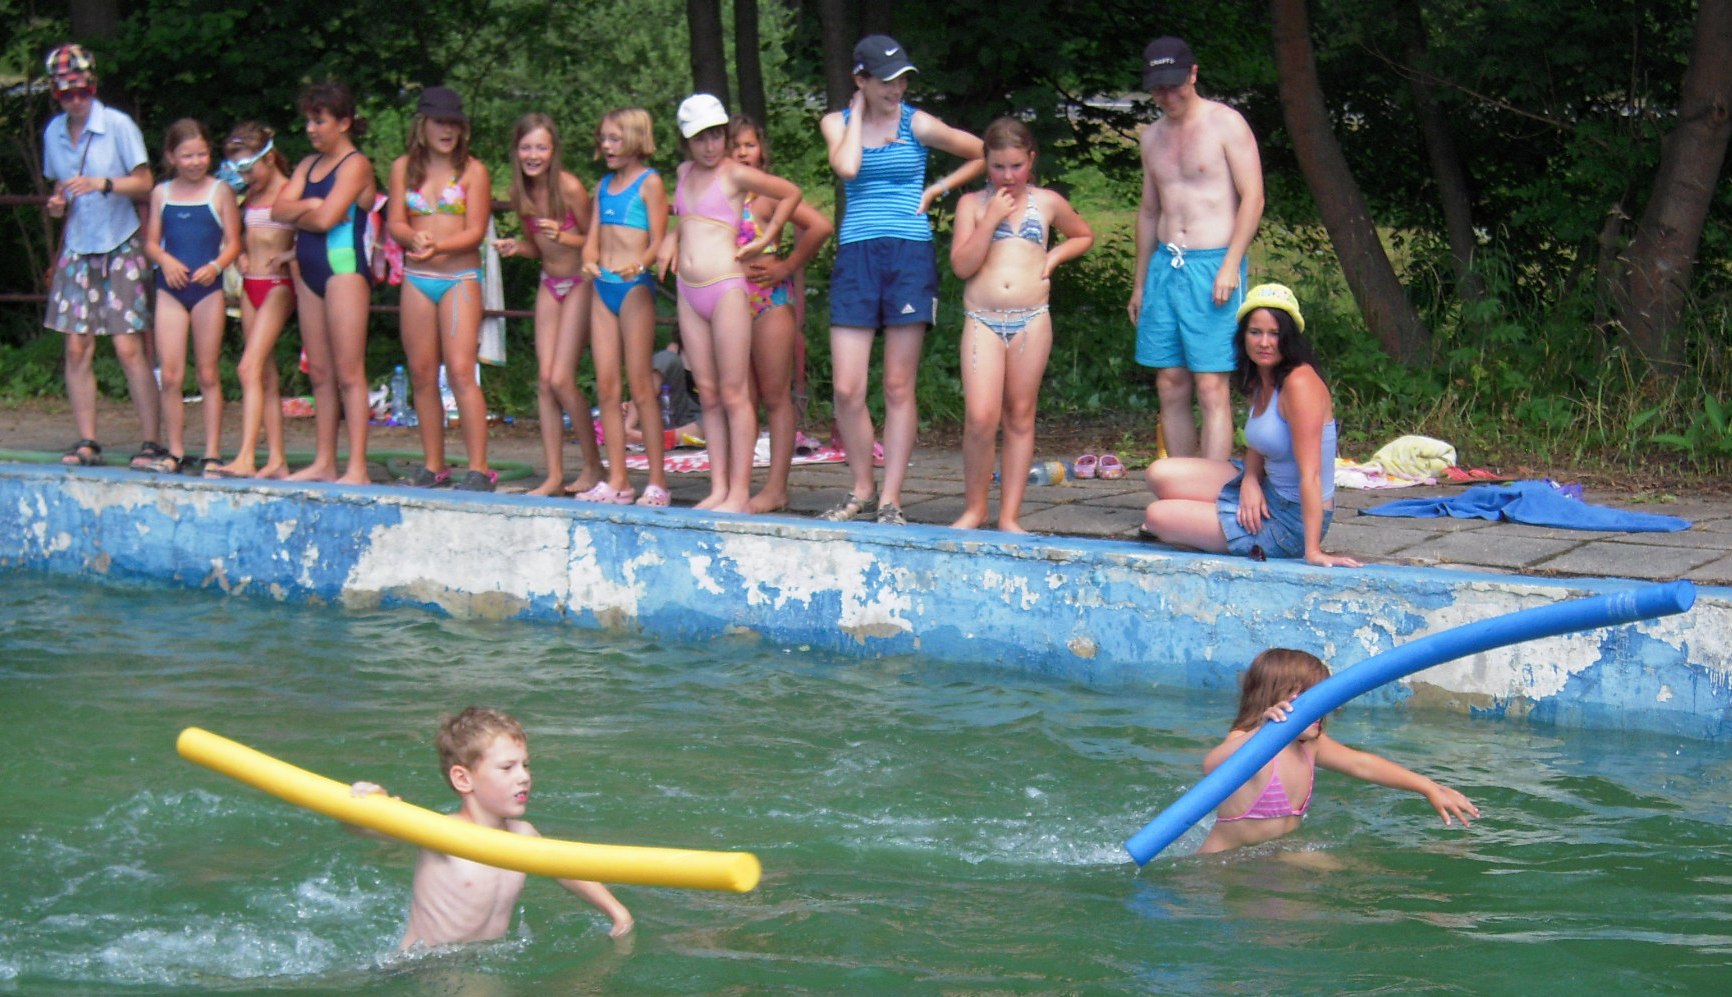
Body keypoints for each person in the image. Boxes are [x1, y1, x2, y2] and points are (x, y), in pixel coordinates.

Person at [818, 35, 984, 525]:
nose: (897, 89)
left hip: (908, 252)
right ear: (861, 79)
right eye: (886, 81)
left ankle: (891, 497)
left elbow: (983, 153)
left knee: (897, 384)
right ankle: (862, 488)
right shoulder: (836, 123)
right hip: (857, 254)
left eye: (902, 79)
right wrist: (856, 114)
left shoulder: (918, 123)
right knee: (847, 388)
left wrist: (939, 187)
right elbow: (847, 167)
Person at [348, 707, 633, 949]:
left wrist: (617, 911)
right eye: (507, 768)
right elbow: (366, 829)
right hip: (424, 966)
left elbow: (566, 869)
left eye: (525, 765)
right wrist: (366, 805)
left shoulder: (523, 835)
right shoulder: (442, 833)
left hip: (484, 960)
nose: (524, 777)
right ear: (463, 779)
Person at [1143, 284, 1361, 567]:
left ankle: (1219, 529)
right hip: (1266, 486)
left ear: (1289, 337)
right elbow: (1259, 444)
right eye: (1255, 332)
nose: (1264, 343)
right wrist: (1249, 481)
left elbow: (1312, 475)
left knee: (1158, 516)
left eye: (1275, 333)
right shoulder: (1261, 374)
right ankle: (1214, 523)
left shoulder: (1300, 384)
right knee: (1159, 473)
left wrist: (1313, 551)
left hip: (1290, 519)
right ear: (1243, 335)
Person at [948, 117, 1093, 533]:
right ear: (986, 164)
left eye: (1016, 166)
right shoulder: (972, 205)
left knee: (1020, 414)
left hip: (1031, 320)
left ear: (1031, 160)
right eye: (998, 167)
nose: (1008, 176)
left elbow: (1082, 235)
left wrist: (1054, 257)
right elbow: (962, 266)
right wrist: (990, 219)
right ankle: (975, 508)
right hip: (983, 320)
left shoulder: (1046, 202)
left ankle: (1009, 515)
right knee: (980, 416)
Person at [661, 94, 802, 513]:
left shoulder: (736, 173)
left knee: (734, 391)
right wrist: (670, 237)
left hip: (725, 287)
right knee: (707, 392)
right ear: (686, 141)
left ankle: (740, 491)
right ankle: (719, 486)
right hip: (689, 290)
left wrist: (767, 236)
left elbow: (791, 193)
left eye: (715, 136)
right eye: (699, 138)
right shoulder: (684, 172)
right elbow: (687, 218)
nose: (709, 146)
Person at [1198, 648, 1480, 854]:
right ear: (1272, 701)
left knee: (1357, 875)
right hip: (1222, 865)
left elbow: (1362, 764)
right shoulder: (1246, 741)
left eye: (1322, 699)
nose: (1320, 709)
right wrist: (1263, 733)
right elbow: (1211, 765)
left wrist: (1427, 786)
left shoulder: (1310, 745)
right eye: (1306, 699)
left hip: (1276, 855)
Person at [1129, 36, 1264, 462]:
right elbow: (1149, 211)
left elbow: (1253, 197)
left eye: (1174, 86)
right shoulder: (1151, 137)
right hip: (1166, 266)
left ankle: (1213, 487)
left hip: (1212, 263)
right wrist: (1139, 283)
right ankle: (1183, 483)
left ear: (1193, 74)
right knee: (1170, 382)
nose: (1167, 97)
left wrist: (1230, 264)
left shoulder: (1226, 124)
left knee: (1210, 385)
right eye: (1158, 89)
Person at [39, 44, 164, 471]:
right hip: (79, 243)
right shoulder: (53, 133)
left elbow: (145, 182)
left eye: (83, 91)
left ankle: (152, 441)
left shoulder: (117, 125)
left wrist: (103, 183)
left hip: (120, 241)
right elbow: (61, 188)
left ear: (93, 87)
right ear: (56, 94)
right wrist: (58, 203)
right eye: (66, 93)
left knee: (129, 346)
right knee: (76, 347)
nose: (75, 100)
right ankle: (87, 439)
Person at [387, 86, 496, 491]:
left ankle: (479, 467)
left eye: (454, 123)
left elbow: (475, 231)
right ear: (423, 125)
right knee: (421, 371)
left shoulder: (473, 171)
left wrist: (439, 246)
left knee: (462, 370)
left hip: (458, 279)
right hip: (418, 279)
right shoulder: (403, 168)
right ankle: (434, 463)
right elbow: (396, 221)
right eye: (439, 122)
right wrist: (410, 237)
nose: (447, 130)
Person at [494, 112, 607, 497]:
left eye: (540, 147)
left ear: (553, 150)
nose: (533, 155)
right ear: (516, 151)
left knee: (561, 378)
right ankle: (554, 475)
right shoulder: (520, 193)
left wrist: (563, 235)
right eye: (526, 147)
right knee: (544, 382)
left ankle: (593, 465)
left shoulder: (569, 187)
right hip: (549, 282)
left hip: (579, 282)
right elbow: (538, 247)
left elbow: (596, 241)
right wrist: (517, 247)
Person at [727, 115, 834, 514]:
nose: (742, 153)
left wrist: (787, 265)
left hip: (768, 301)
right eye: (735, 146)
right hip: (730, 301)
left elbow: (820, 226)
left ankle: (776, 487)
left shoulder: (768, 196)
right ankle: (738, 485)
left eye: (749, 145)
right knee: (741, 397)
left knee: (775, 396)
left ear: (761, 151)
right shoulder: (718, 195)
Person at [273, 82, 377, 485]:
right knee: (319, 372)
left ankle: (357, 467)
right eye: (308, 122)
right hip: (310, 269)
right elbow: (278, 209)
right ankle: (325, 461)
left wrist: (308, 210)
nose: (311, 129)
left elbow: (325, 219)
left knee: (349, 371)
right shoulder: (306, 165)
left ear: (344, 122)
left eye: (319, 121)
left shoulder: (355, 165)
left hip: (344, 269)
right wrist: (311, 205)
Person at [578, 108, 671, 506]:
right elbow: (592, 239)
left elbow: (659, 239)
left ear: (635, 139)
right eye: (603, 138)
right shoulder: (603, 186)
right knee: (606, 386)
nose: (606, 145)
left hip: (634, 287)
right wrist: (588, 260)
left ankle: (657, 481)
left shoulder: (650, 182)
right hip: (604, 286)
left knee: (641, 385)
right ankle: (618, 478)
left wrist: (642, 265)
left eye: (615, 138)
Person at [142, 119, 241, 475]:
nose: (196, 162)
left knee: (208, 373)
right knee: (170, 375)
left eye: (201, 154)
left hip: (206, 289)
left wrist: (215, 266)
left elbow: (234, 242)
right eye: (187, 156)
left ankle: (212, 452)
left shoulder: (220, 191)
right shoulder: (162, 193)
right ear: (171, 157)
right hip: (171, 288)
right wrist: (166, 262)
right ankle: (175, 450)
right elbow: (151, 243)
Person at [209, 123, 297, 479]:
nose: (245, 178)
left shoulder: (290, 191)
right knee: (265, 374)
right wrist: (242, 254)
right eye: (239, 171)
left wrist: (290, 254)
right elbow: (244, 235)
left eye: (249, 169)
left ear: (270, 158)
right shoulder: (250, 195)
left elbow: (312, 233)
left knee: (248, 367)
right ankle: (277, 459)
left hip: (277, 285)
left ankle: (246, 455)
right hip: (251, 284)